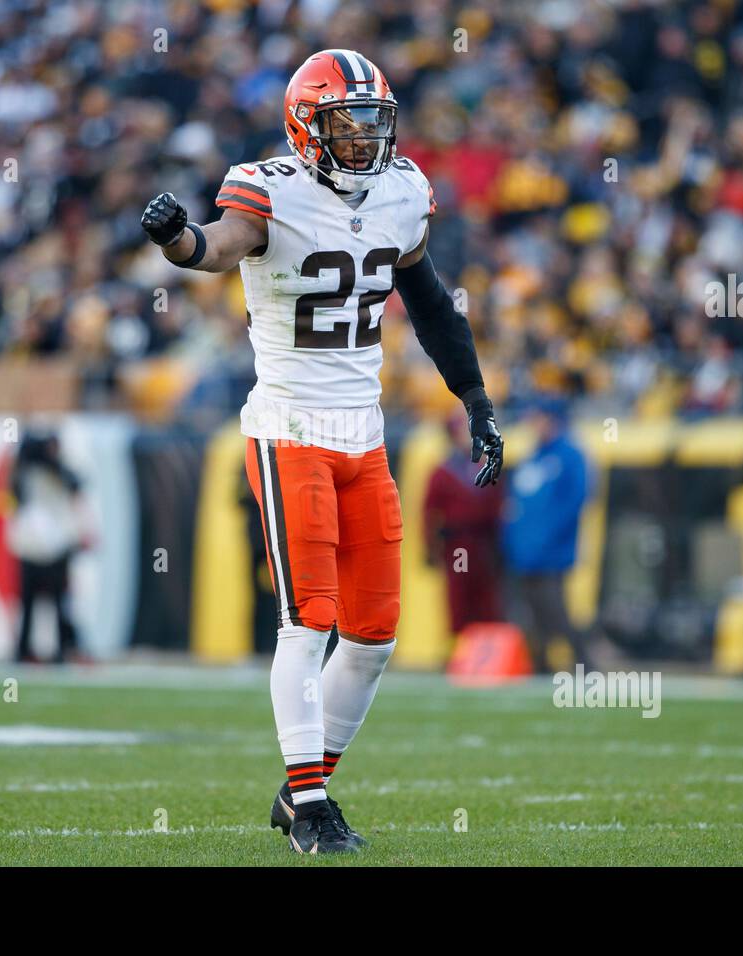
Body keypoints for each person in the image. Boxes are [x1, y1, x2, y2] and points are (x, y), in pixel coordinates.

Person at [141, 49, 503, 854]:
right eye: (348, 125)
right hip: (291, 429)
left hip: (363, 435)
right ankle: (310, 806)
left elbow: (432, 305)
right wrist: (178, 240)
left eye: (375, 123)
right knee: (309, 623)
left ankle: (303, 786)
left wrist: (474, 399)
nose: (365, 140)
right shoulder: (271, 188)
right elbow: (220, 246)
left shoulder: (402, 193)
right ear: (308, 127)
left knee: (374, 637)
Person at [500, 395, 595, 671]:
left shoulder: (570, 455)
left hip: (552, 551)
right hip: (525, 551)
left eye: (538, 418)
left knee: (556, 610)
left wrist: (549, 538)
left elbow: (575, 501)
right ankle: (542, 664)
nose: (533, 424)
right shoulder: (533, 456)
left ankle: (583, 662)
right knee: (532, 612)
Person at [6, 430, 93, 664]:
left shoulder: (57, 473)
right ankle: (25, 650)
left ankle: (61, 650)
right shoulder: (26, 474)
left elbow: (77, 483)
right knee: (31, 604)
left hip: (53, 547)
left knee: (58, 604)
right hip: (35, 546)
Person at [424, 409, 505, 636]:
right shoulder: (443, 472)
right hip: (458, 543)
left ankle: (487, 651)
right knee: (459, 596)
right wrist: (430, 547)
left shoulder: (486, 466)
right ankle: (462, 647)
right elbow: (430, 512)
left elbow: (498, 507)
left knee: (487, 598)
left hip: (483, 542)